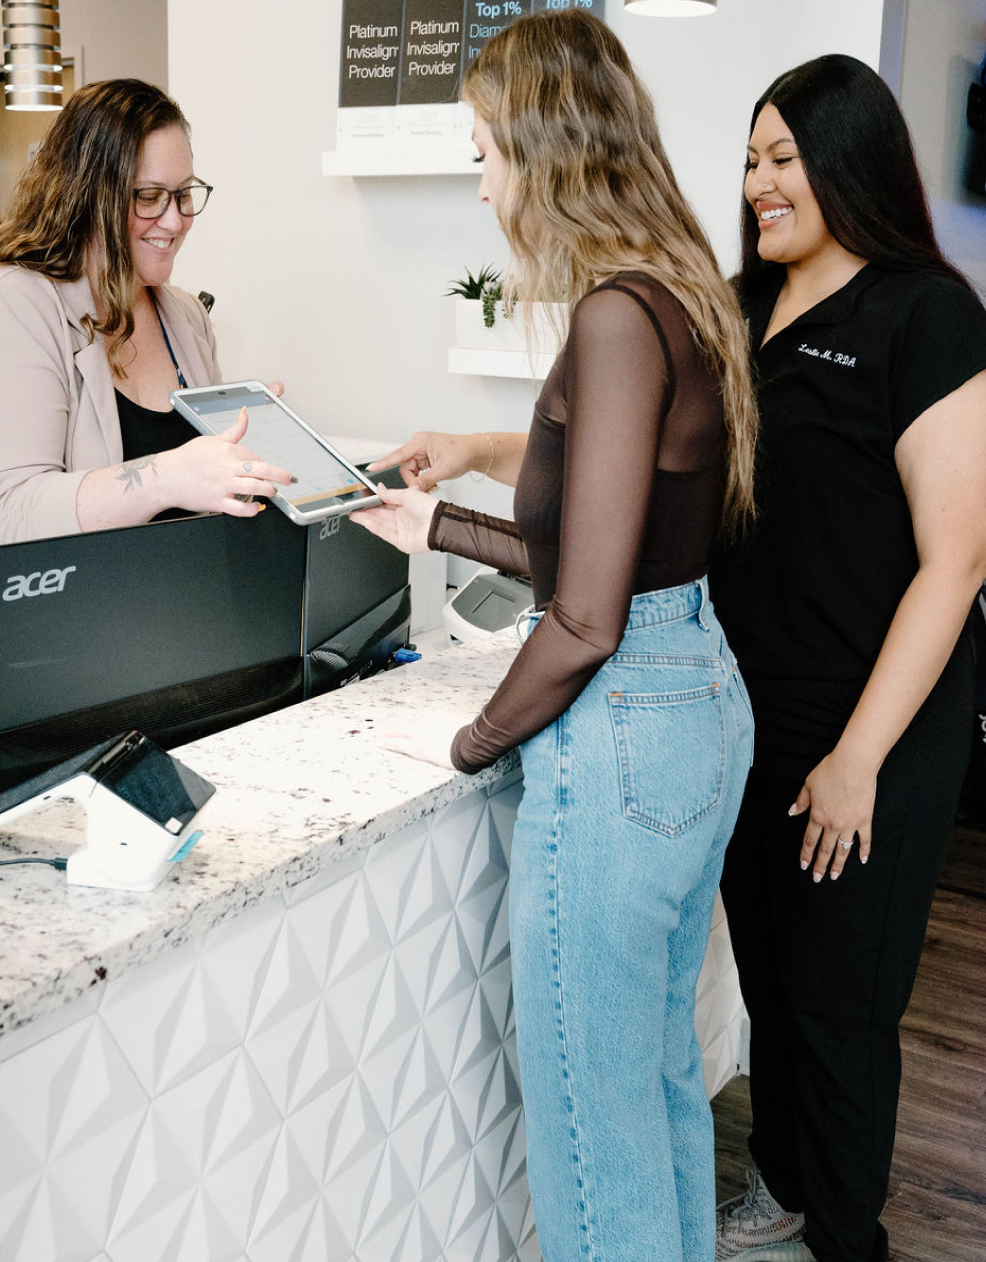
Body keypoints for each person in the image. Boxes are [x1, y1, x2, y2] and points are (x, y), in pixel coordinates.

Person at [355, 12, 757, 1261]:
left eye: (482, 151)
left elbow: (584, 619)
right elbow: (612, 563)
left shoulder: (614, 318)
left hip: (626, 729)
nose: (479, 182)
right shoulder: (678, 293)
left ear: (542, 149)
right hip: (693, 693)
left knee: (593, 1148)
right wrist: (440, 528)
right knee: (657, 1096)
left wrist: (473, 742)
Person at [706, 56, 986, 1262]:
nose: (761, 182)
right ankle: (779, 1183)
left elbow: (958, 559)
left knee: (838, 1005)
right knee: (770, 979)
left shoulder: (924, 312)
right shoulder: (733, 306)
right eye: (753, 158)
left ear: (848, 161)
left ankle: (845, 1237)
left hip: (872, 727)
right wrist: (477, 442)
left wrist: (856, 756)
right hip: (744, 713)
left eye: (785, 158)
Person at [0, 78, 292, 545]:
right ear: (87, 196)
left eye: (183, 194)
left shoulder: (185, 315)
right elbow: (11, 510)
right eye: (148, 197)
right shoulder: (20, 304)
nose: (174, 220)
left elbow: (209, 494)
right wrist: (169, 475)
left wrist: (257, 454)